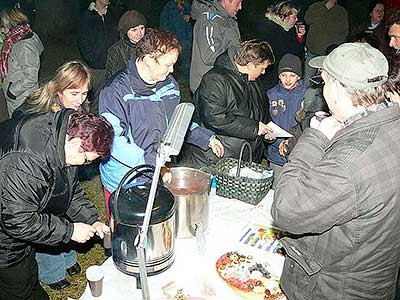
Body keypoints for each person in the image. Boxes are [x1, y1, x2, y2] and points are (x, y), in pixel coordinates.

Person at [271, 42, 400, 299]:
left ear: (340, 90)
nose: (323, 90)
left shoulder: (351, 161)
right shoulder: (392, 122)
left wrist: (314, 138)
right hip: (374, 277)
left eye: (325, 82)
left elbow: (286, 210)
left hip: (336, 287)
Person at [99, 28, 224, 219]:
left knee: (157, 231)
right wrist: (153, 164)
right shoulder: (115, 91)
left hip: (158, 173)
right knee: (126, 237)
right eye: (168, 64)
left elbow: (177, 123)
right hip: (125, 179)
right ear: (149, 59)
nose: (172, 70)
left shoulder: (169, 85)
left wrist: (206, 138)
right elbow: (113, 141)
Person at [0, 110, 114, 299]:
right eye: (87, 160)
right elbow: (17, 221)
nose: (85, 165)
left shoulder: (62, 137)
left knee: (28, 276)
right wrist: (69, 231)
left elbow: (69, 187)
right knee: (15, 286)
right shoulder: (25, 163)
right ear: (77, 144)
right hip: (5, 244)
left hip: (18, 224)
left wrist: (92, 220)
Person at [13, 60, 92, 291]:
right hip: (38, 175)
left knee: (67, 208)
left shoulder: (77, 109)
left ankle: (68, 258)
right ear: (59, 90)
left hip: (65, 171)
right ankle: (50, 271)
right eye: (74, 93)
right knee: (47, 219)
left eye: (84, 93)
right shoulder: (35, 112)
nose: (80, 100)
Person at [185, 40, 276, 167]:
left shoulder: (254, 82)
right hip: (219, 158)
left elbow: (261, 112)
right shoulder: (215, 80)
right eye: (262, 68)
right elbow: (215, 117)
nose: (263, 72)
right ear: (250, 66)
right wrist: (255, 128)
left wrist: (267, 130)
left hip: (246, 157)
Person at [266, 54, 305, 183]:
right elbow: (266, 123)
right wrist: (277, 143)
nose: (287, 79)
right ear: (278, 75)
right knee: (276, 189)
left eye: (292, 75)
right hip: (276, 154)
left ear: (299, 76)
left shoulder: (306, 95)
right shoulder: (271, 95)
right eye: (283, 75)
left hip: (299, 155)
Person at [78, 0, 122, 113]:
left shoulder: (114, 13)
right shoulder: (87, 16)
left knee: (112, 95)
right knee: (95, 98)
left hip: (114, 63)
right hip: (97, 66)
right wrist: (91, 58)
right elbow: (82, 40)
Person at [190, 0, 242, 93]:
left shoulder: (229, 21)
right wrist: (241, 59)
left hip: (225, 84)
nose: (240, 7)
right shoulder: (209, 21)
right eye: (238, 3)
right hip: (210, 88)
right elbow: (210, 56)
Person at [0, 7, 43, 116]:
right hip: (19, 94)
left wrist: (12, 92)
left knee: (19, 126)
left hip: (21, 96)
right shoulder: (17, 38)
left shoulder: (24, 46)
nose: (2, 30)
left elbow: (31, 77)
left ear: (14, 26)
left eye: (4, 27)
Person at [253, 0, 305, 90]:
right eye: (294, 17)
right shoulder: (272, 31)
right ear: (285, 16)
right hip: (270, 76)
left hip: (279, 74)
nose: (297, 20)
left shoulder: (287, 28)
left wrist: (299, 37)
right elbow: (291, 53)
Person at [304, 0, 348, 81]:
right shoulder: (315, 7)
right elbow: (307, 19)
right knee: (307, 82)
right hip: (312, 53)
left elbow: (344, 33)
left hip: (330, 56)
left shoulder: (341, 11)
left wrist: (335, 50)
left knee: (329, 82)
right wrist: (325, 8)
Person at [105, 9, 146, 83]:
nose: (139, 33)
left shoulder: (150, 47)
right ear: (125, 32)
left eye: (142, 28)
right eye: (134, 30)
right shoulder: (115, 51)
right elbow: (111, 79)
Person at [160, 0, 193, 84]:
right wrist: (169, 39)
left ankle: (186, 80)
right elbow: (163, 24)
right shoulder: (169, 6)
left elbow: (195, 18)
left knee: (186, 61)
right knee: (172, 62)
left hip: (186, 39)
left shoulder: (187, 5)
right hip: (173, 40)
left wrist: (190, 17)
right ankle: (171, 81)